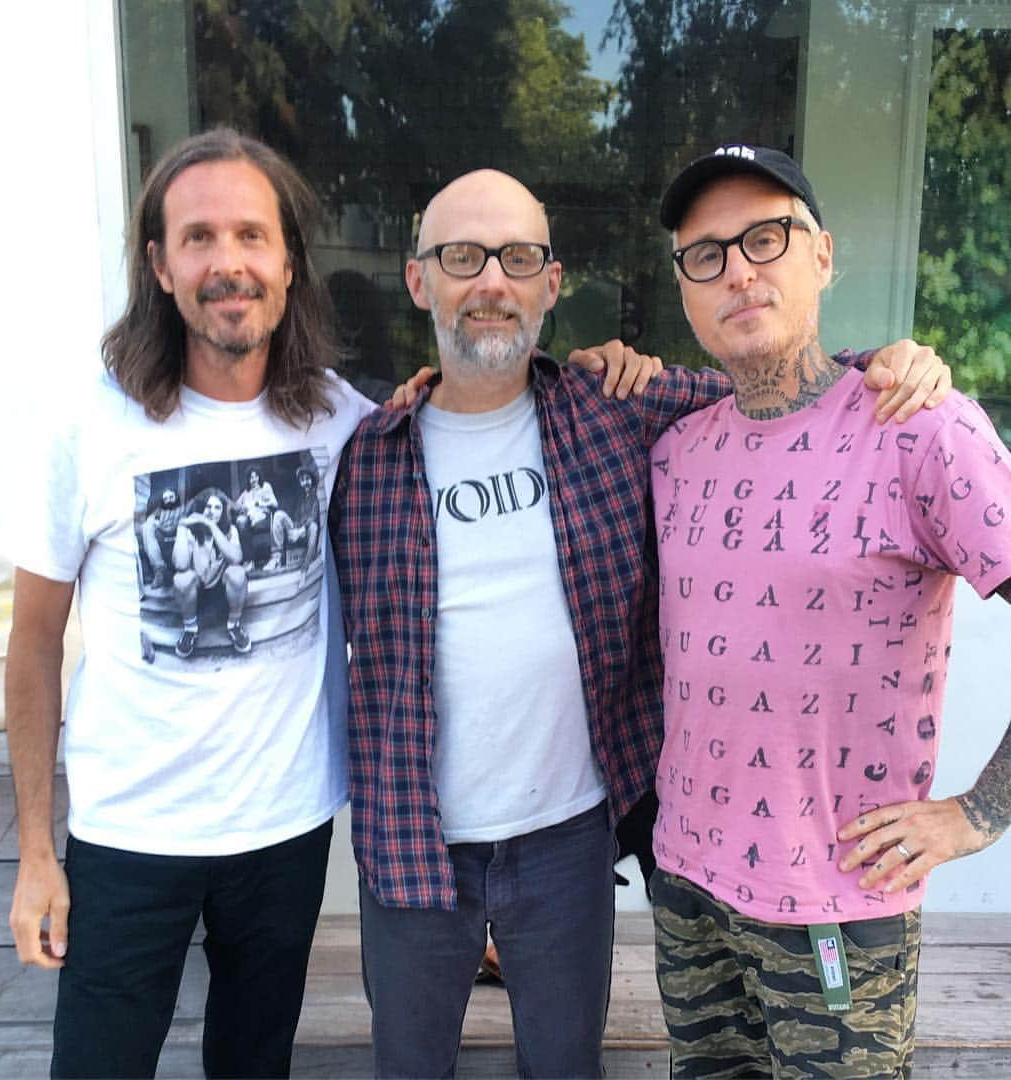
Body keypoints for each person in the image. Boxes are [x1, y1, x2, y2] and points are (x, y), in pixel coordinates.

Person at [329, 167, 948, 1078]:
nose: (492, 281)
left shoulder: (614, 412)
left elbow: (772, 387)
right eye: (463, 256)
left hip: (569, 843)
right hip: (410, 843)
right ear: (421, 280)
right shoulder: (360, 455)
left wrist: (883, 363)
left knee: (568, 1067)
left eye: (518, 257)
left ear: (552, 281)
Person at [5, 128, 377, 1079]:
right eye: (200, 237)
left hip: (285, 830)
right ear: (160, 266)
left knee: (253, 1067)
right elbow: (35, 642)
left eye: (251, 236)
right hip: (130, 833)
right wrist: (39, 856)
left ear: (288, 262)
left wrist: (605, 375)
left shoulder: (342, 420)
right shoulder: (89, 425)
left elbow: (466, 419)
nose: (228, 263)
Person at [647, 143, 1011, 1078]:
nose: (738, 269)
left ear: (822, 256)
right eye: (707, 253)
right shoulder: (676, 447)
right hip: (688, 887)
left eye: (767, 236)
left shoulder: (918, 427)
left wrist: (979, 814)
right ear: (685, 287)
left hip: (841, 905)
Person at [172, 486, 250, 657]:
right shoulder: (190, 533)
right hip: (196, 598)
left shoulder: (230, 532)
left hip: (223, 596)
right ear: (200, 508)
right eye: (208, 507)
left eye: (217, 508)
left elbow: (237, 558)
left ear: (223, 513)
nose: (211, 511)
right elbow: (181, 564)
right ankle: (190, 629)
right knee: (181, 578)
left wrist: (211, 526)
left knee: (237, 573)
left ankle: (234, 626)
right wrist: (181, 528)